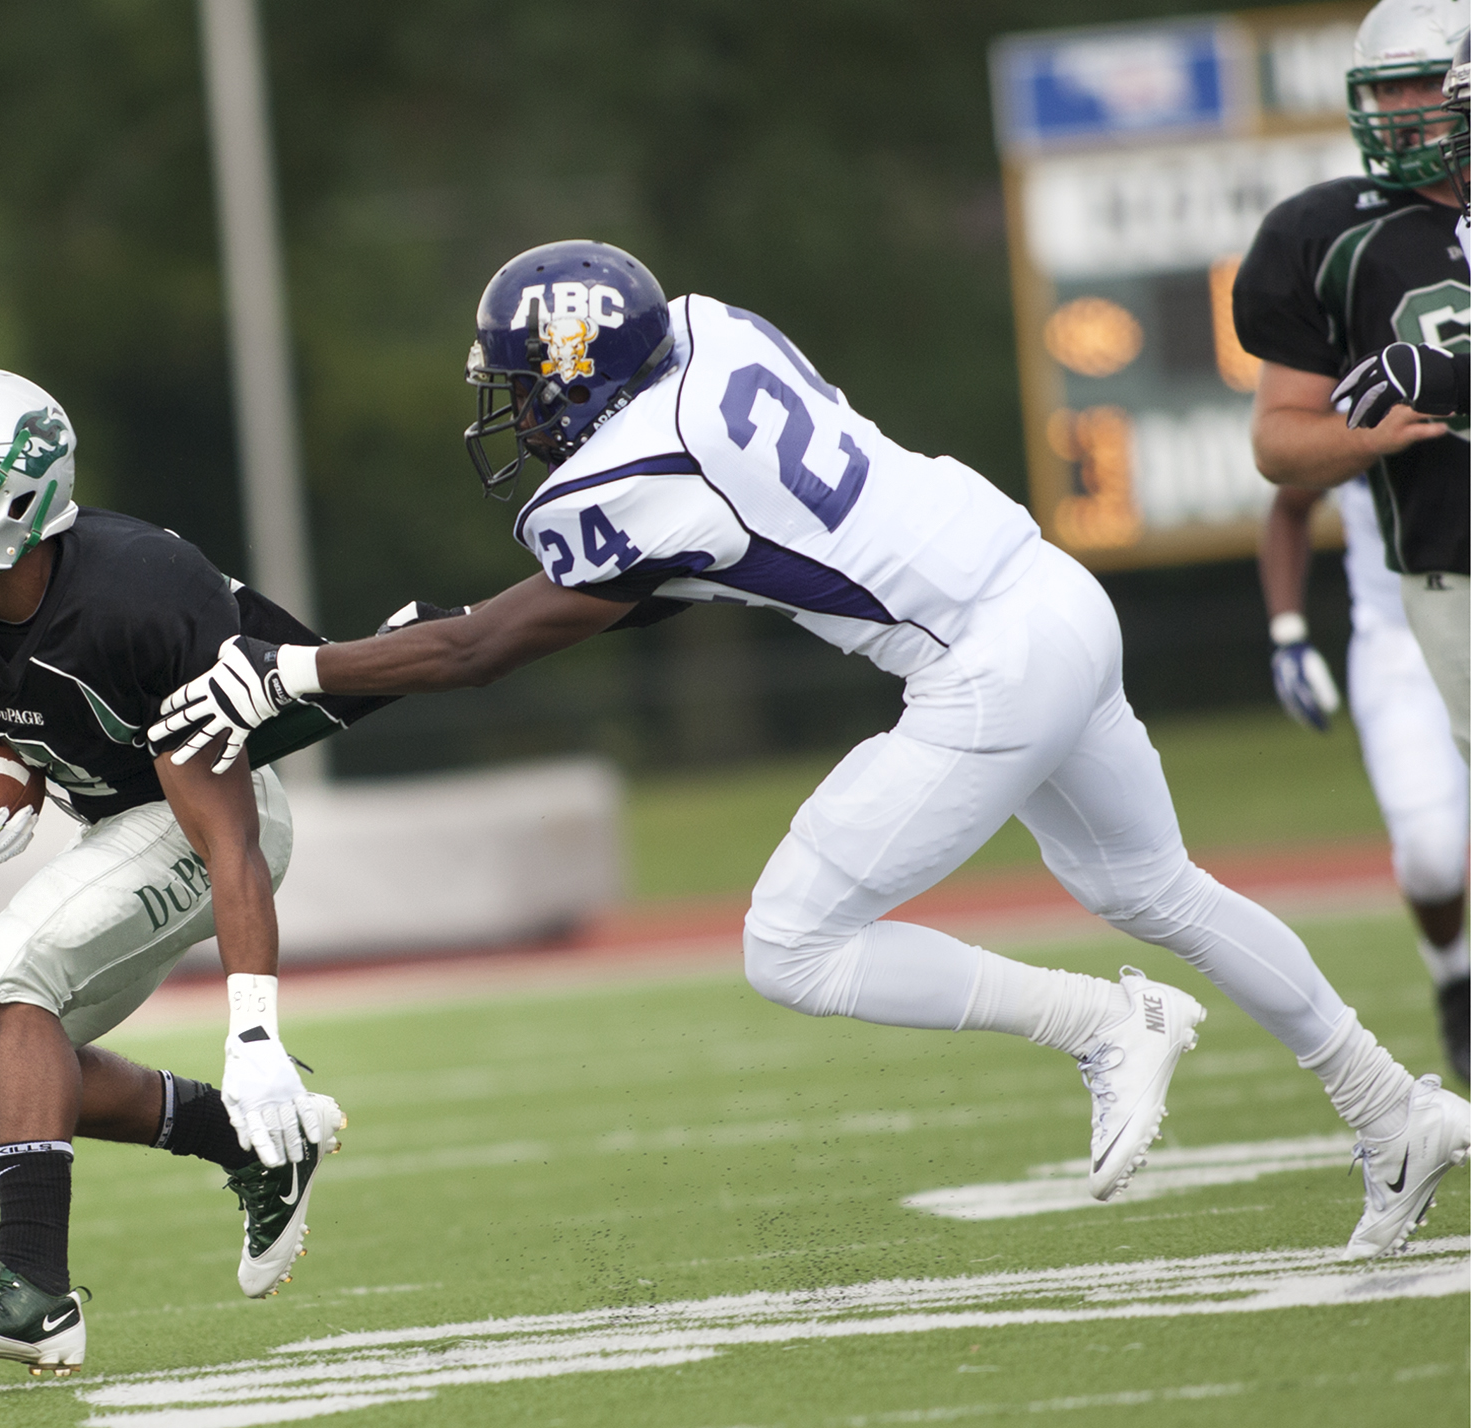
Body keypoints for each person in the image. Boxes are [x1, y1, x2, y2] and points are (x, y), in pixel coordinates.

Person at [151, 239, 1471, 1262]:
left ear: (576, 383)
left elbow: (483, 648)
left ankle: (1102, 1023)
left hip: (981, 668)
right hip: (1049, 587)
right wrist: (382, 651)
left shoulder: (627, 482)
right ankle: (1390, 1107)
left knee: (787, 942)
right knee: (1156, 885)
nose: (509, 410)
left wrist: (294, 670)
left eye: (520, 386)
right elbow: (672, 574)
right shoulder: (716, 331)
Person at [0, 368, 370, 1375]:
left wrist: (255, 1028)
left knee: (10, 966)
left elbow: (227, 839)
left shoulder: (137, 595)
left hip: (219, 815)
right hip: (116, 826)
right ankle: (250, 1143)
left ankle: (33, 1295)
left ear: (12, 503)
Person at [1235, 0, 1470, 763]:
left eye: (1424, 83)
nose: (1403, 110)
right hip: (1453, 569)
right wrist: (1358, 436)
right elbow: (1278, 442)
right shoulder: (1327, 234)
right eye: (1386, 89)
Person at [1259, 481, 1468, 1082]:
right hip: (1401, 644)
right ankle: (1456, 979)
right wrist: (1287, 634)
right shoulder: (1361, 390)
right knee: (1430, 856)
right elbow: (1289, 490)